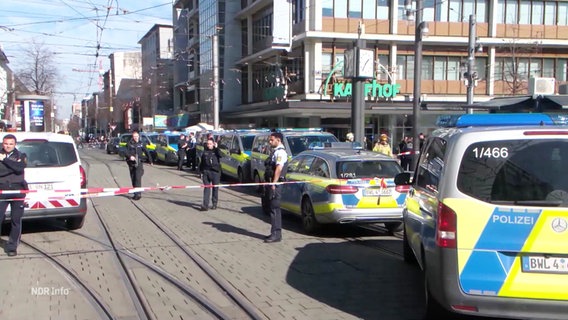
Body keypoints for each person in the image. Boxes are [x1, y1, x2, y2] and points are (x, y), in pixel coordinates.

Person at [0, 134, 28, 256]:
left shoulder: (21, 155)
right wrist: (13, 165)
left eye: (11, 144)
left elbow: (19, 168)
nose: (8, 146)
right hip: (2, 191)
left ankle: (12, 247)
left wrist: (5, 160)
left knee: (16, 220)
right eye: (6, 144)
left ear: (15, 144)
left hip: (18, 191)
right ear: (2, 143)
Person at [262, 132, 288, 243]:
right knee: (272, 208)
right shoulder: (276, 152)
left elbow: (279, 168)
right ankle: (274, 232)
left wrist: (273, 183)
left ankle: (276, 234)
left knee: (275, 209)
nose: (270, 141)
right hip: (273, 184)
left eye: (272, 140)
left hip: (276, 185)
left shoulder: (281, 153)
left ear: (278, 140)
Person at [126, 130, 153, 200]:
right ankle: (135, 193)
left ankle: (138, 194)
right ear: (132, 137)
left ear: (139, 136)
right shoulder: (129, 143)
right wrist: (130, 156)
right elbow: (126, 152)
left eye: (137, 136)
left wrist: (150, 161)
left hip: (139, 162)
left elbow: (146, 151)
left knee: (138, 178)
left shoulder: (141, 143)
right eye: (134, 136)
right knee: (133, 178)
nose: (136, 138)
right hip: (131, 163)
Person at [198, 138, 222, 211]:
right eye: (207, 144)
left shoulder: (216, 151)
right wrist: (200, 172)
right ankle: (205, 205)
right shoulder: (205, 152)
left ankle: (214, 203)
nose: (209, 145)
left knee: (215, 188)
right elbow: (202, 163)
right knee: (207, 188)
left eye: (210, 144)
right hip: (206, 172)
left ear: (213, 144)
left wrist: (217, 147)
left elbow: (221, 155)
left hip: (215, 172)